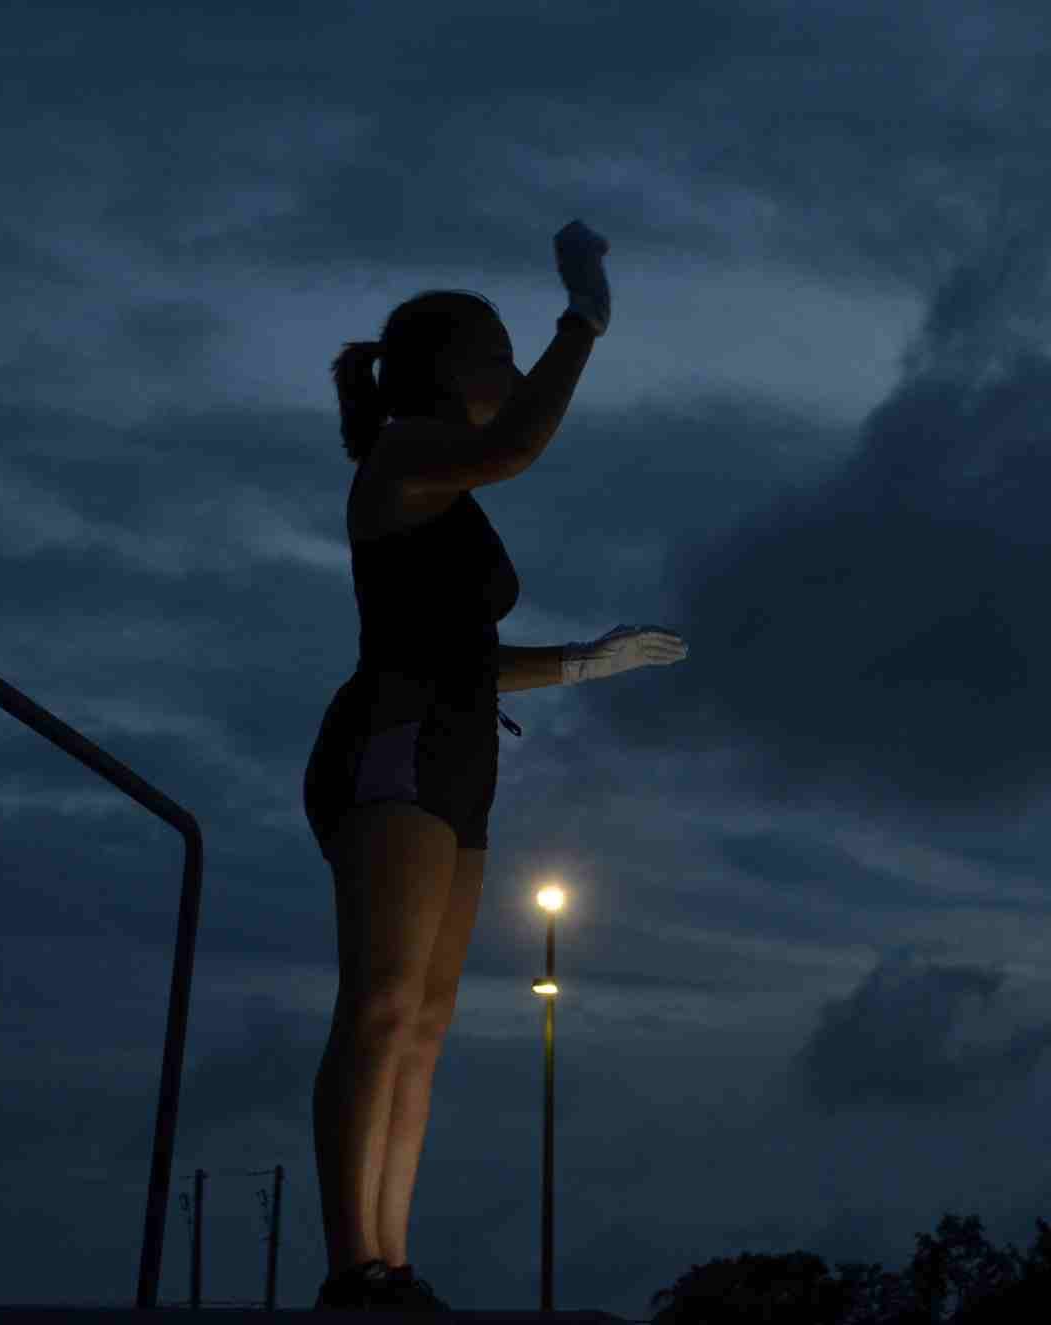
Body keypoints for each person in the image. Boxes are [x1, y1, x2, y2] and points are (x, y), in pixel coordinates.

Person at [302, 221, 685, 1310]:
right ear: (445, 369)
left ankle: (391, 1260)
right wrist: (583, 321)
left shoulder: (448, 494)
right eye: (499, 352)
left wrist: (584, 662)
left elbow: (467, 651)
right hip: (390, 740)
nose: (514, 370)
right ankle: (351, 1267)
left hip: (461, 754)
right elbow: (518, 442)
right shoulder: (401, 457)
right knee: (380, 1003)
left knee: (425, 1021)